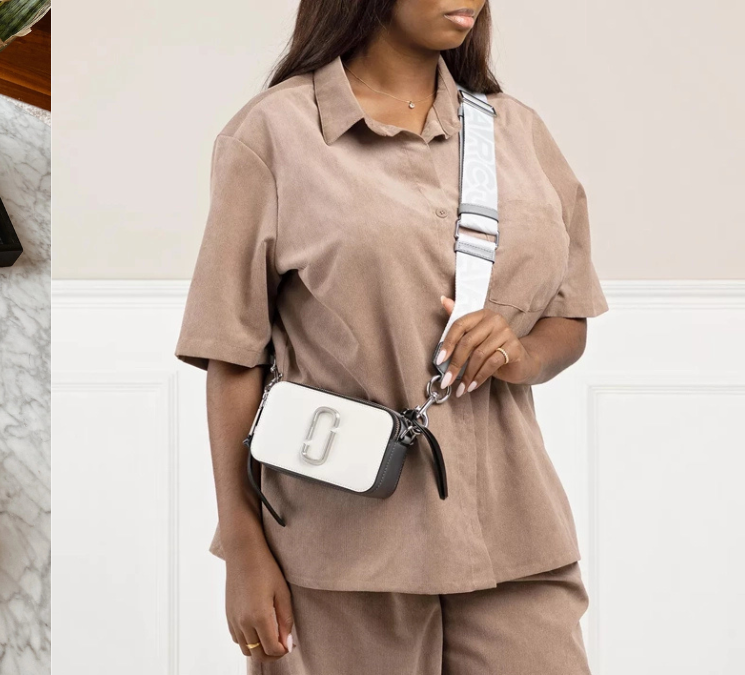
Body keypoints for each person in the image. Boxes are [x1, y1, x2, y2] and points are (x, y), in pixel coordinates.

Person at [175, 1, 607, 672]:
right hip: (336, 555)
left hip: (513, 538)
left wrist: (520, 354)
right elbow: (233, 355)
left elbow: (568, 316)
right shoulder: (274, 134)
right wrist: (241, 545)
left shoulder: (518, 132)